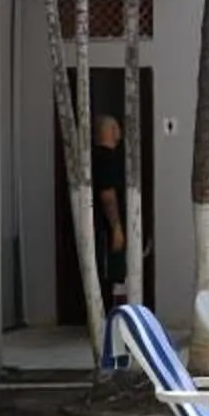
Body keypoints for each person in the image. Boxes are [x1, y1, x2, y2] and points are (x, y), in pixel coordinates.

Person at [92, 111, 127, 307]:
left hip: (104, 227)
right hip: (105, 229)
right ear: (112, 131)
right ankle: (108, 314)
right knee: (110, 272)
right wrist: (116, 227)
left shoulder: (97, 157)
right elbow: (107, 196)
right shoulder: (105, 159)